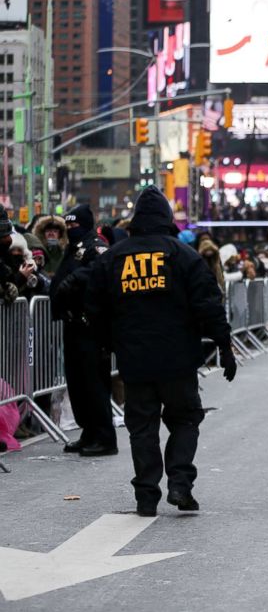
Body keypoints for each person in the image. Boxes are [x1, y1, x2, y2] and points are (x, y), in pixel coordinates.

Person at [84, 187, 236, 517]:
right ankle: (180, 483)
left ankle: (146, 495)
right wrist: (224, 345)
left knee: (142, 427)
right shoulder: (183, 256)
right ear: (167, 219)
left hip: (134, 360)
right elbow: (208, 304)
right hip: (178, 359)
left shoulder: (114, 258)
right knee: (185, 420)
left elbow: (93, 308)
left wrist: (107, 343)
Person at [51, 205, 116, 457]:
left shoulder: (96, 245)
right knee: (77, 383)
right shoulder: (73, 247)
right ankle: (89, 431)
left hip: (91, 326)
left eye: (73, 225)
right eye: (67, 226)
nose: (69, 230)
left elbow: (102, 269)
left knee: (94, 382)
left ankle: (105, 437)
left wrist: (76, 279)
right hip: (73, 324)